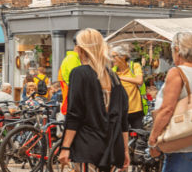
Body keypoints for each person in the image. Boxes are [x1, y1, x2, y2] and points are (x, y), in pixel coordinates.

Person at [58, 28, 130, 172]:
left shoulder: (79, 73)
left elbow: (74, 114)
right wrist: (125, 150)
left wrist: (65, 147)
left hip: (87, 145)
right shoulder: (113, 77)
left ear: (80, 49)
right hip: (112, 146)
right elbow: (122, 118)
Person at [149, 31, 192, 170]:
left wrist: (153, 140)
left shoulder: (177, 72)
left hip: (182, 146)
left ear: (177, 50)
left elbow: (167, 109)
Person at [110, 45, 146, 130]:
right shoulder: (113, 71)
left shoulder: (134, 66)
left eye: (113, 56)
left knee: (140, 138)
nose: (111, 59)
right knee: (121, 139)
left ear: (123, 56)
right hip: (120, 111)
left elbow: (139, 81)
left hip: (136, 110)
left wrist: (119, 78)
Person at [59, 38, 83, 115]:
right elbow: (78, 82)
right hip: (72, 104)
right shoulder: (72, 59)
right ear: (78, 47)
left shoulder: (73, 59)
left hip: (72, 103)